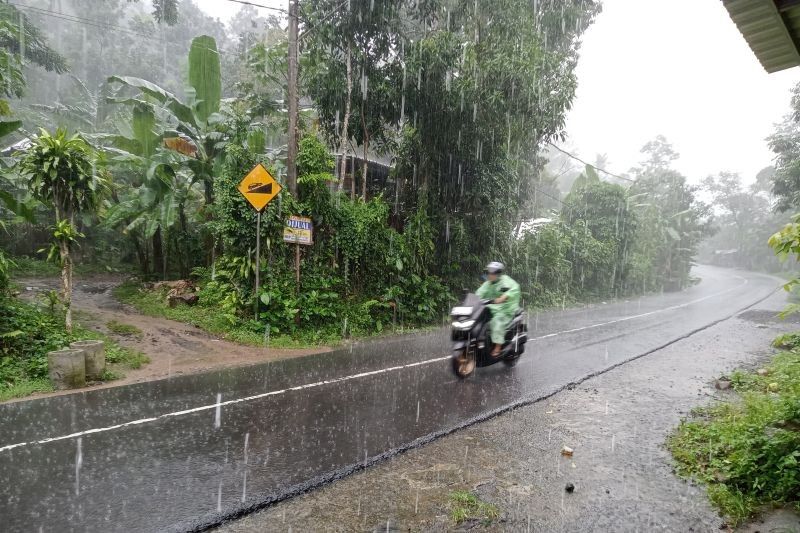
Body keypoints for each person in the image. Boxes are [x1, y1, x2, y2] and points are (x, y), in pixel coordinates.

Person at [476, 261, 521, 357]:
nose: (490, 275)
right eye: (489, 272)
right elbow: (478, 294)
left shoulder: (505, 280)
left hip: (506, 308)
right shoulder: (487, 284)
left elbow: (515, 288)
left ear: (498, 273)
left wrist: (505, 296)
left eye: (493, 273)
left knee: (496, 321)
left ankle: (497, 347)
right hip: (492, 307)